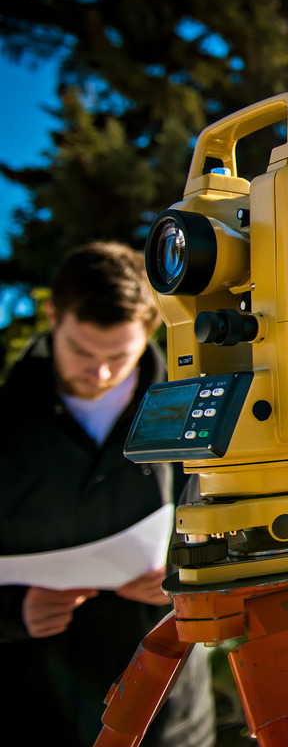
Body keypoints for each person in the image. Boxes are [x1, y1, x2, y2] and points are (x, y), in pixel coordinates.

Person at [0, 241, 215, 747]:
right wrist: (11, 612)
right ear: (53, 316)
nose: (98, 373)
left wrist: (184, 579)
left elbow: (244, 530)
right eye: (81, 351)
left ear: (152, 330)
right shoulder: (5, 420)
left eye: (118, 356)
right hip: (32, 705)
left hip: (165, 712)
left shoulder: (200, 412)